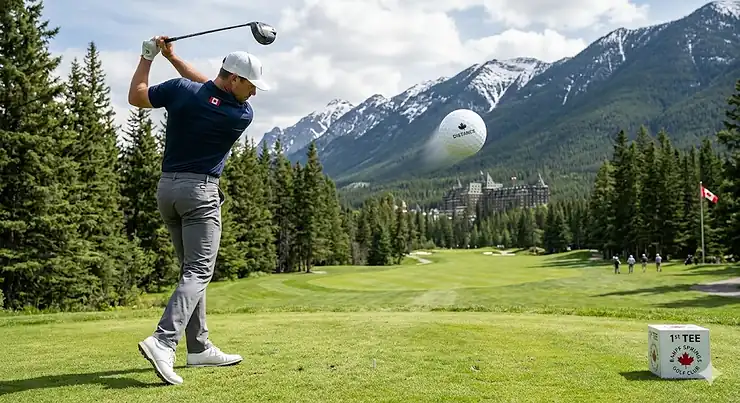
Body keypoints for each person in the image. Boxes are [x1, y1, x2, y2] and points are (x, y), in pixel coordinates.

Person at [128, 36, 270, 385]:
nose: (253, 94)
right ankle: (163, 341)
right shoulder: (240, 114)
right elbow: (206, 85)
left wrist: (152, 57)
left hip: (168, 191)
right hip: (200, 194)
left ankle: (199, 347)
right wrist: (174, 58)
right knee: (199, 271)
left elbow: (138, 96)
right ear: (234, 79)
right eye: (251, 85)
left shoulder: (181, 91)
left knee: (190, 272)